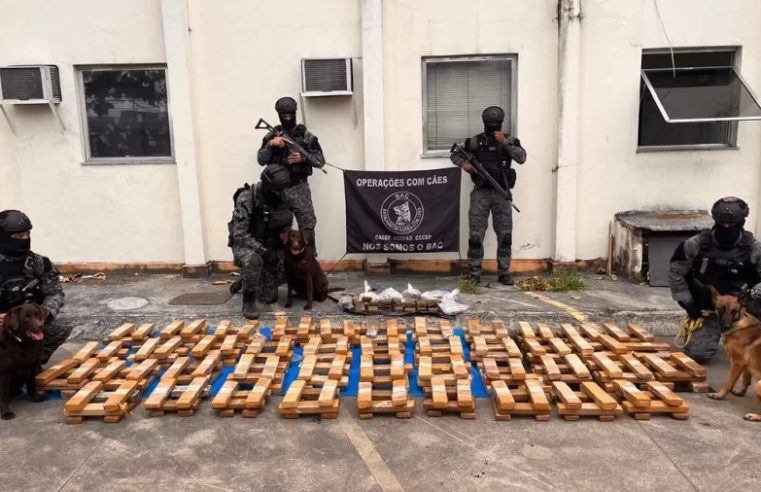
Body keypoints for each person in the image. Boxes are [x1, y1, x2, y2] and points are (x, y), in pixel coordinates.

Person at [668, 196, 761, 362]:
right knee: (698, 355)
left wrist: (752, 294)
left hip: (744, 306)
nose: (726, 227)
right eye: (722, 223)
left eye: (731, 224)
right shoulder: (695, 244)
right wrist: (688, 303)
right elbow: (676, 273)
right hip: (709, 308)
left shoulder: (754, 248)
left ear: (741, 223)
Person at [450, 106, 527, 285]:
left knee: (505, 236)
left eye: (496, 123)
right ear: (484, 123)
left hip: (502, 194)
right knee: (476, 236)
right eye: (490, 123)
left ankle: (504, 272)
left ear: (501, 123)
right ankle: (475, 273)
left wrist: (505, 142)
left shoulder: (510, 139)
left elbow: (522, 158)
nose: (493, 126)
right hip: (481, 194)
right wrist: (465, 164)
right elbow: (455, 154)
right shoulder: (476, 141)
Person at [0, 210, 71, 365]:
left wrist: (44, 312)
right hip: (3, 324)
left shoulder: (39, 263)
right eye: (19, 237)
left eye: (27, 235)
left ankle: (31, 362)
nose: (24, 239)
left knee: (60, 329)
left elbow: (54, 293)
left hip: (29, 321)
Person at [228, 164, 294, 319]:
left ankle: (249, 279)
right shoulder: (247, 197)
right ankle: (248, 299)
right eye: (276, 190)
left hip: (271, 245)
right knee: (254, 261)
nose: (280, 193)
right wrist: (263, 251)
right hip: (248, 246)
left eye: (282, 190)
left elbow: (286, 225)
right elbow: (240, 234)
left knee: (269, 297)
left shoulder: (283, 195)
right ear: (266, 185)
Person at [257, 96, 324, 247]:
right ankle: (281, 266)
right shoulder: (272, 135)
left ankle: (309, 262)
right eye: (284, 115)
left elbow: (320, 161)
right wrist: (270, 145)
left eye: (290, 115)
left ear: (295, 113)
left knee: (307, 227)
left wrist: (303, 158)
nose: (287, 118)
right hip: (278, 191)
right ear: (279, 115)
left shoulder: (305, 135)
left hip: (299, 188)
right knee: (280, 230)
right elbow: (261, 160)